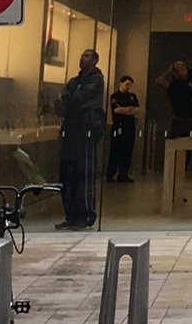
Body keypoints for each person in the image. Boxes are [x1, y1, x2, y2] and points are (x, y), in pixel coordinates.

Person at [55, 48, 106, 229]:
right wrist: (67, 101)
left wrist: (69, 100)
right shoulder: (75, 81)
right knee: (67, 174)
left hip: (86, 131)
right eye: (81, 55)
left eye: (86, 56)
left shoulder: (96, 80)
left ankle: (86, 214)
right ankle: (71, 215)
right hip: (70, 131)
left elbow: (79, 99)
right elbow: (61, 103)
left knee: (84, 173)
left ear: (94, 61)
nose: (82, 58)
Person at [158, 60, 192, 176]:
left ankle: (183, 169)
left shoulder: (188, 82)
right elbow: (160, 80)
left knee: (188, 146)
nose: (185, 71)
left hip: (189, 120)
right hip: (179, 120)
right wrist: (169, 71)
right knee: (177, 145)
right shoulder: (173, 85)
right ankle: (173, 169)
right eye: (181, 69)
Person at [105, 74, 140, 184]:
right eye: (126, 84)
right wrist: (129, 109)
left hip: (129, 126)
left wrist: (126, 110)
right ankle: (110, 174)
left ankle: (123, 174)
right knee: (115, 150)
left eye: (130, 85)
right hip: (118, 125)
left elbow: (137, 109)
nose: (128, 87)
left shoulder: (132, 96)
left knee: (127, 150)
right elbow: (116, 110)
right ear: (121, 83)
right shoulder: (115, 96)